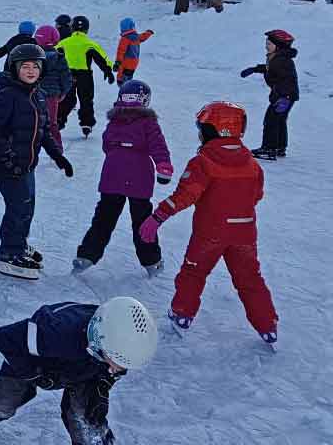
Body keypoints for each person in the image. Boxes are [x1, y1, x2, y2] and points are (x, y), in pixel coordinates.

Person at [138, 101, 279, 348]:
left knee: (193, 272)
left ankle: (182, 314)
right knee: (250, 279)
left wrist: (157, 217)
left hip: (210, 234)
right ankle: (267, 325)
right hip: (244, 232)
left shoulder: (203, 162)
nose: (199, 133)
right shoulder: (252, 164)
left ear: (216, 130)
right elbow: (256, 196)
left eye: (202, 128)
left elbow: (184, 195)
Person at [0, 297, 158, 442]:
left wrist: (104, 383)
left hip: (85, 370)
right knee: (4, 401)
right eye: (117, 363)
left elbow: (111, 371)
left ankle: (94, 439)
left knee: (87, 414)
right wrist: (32, 372)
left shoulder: (118, 347)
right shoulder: (56, 330)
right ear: (102, 340)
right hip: (37, 363)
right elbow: (7, 338)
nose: (118, 370)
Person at [0, 43, 73, 278]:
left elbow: (43, 132)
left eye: (36, 66)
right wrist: (8, 157)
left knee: (27, 207)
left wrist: (58, 157)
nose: (31, 70)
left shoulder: (39, 95)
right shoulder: (6, 96)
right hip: (9, 165)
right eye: (25, 66)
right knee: (17, 208)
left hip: (27, 165)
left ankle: (19, 244)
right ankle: (9, 253)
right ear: (15, 68)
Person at [73, 80, 173, 277]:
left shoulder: (114, 121)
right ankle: (151, 261)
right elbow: (158, 146)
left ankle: (86, 255)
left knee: (104, 218)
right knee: (142, 222)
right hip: (139, 178)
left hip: (113, 176)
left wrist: (119, 155)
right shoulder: (148, 122)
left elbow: (106, 145)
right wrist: (163, 167)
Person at [240, 29, 298, 161]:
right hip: (286, 96)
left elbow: (286, 79)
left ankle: (269, 149)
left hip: (284, 97)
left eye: (269, 44)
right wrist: (255, 69)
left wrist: (284, 98)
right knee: (279, 120)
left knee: (271, 120)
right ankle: (279, 147)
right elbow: (269, 68)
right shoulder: (278, 58)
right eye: (266, 43)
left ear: (278, 46)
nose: (266, 46)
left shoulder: (281, 60)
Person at [57, 15, 116, 138]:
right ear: (87, 29)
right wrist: (108, 71)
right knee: (86, 100)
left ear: (71, 28)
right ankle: (86, 124)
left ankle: (58, 120)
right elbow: (101, 58)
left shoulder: (63, 43)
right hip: (85, 76)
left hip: (68, 75)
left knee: (67, 99)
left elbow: (53, 56)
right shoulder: (89, 44)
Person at [33, 25, 72, 151]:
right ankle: (57, 147)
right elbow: (66, 77)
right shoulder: (59, 58)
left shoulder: (33, 57)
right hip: (52, 95)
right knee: (51, 122)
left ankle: (32, 146)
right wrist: (64, 92)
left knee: (33, 120)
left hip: (34, 93)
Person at [114, 17, 153, 83]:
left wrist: (117, 62)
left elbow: (120, 51)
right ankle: (128, 86)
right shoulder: (136, 37)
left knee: (122, 76)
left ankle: (121, 84)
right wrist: (148, 33)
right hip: (134, 63)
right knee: (129, 76)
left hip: (126, 63)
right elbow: (143, 36)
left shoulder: (125, 39)